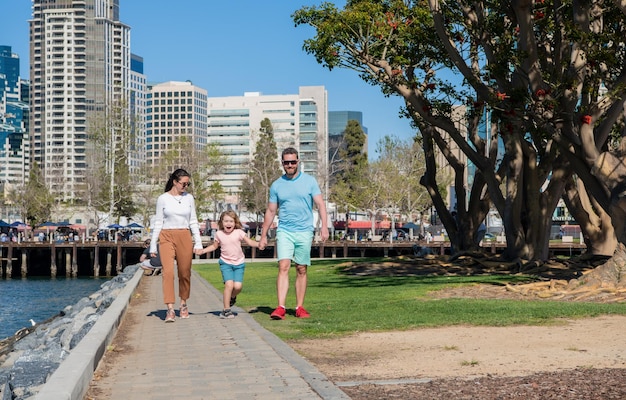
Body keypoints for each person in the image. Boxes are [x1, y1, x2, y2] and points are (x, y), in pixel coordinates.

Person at [258, 147, 329, 320]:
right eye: (286, 162)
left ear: (298, 162)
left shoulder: (309, 181)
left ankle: (299, 307)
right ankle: (280, 307)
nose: (290, 165)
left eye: (293, 162)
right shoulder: (277, 185)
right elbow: (271, 210)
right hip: (285, 231)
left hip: (304, 231)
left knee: (301, 268)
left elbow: (320, 204)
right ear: (282, 163)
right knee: (283, 266)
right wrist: (263, 234)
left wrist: (324, 226)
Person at [150, 168, 203, 323]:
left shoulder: (189, 198)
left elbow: (193, 220)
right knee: (168, 272)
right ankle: (170, 309)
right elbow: (158, 221)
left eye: (188, 184)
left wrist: (198, 242)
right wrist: (153, 245)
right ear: (174, 181)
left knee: (184, 272)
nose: (185, 187)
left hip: (184, 235)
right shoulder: (163, 199)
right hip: (166, 235)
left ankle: (183, 303)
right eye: (183, 184)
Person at [196, 210, 259, 319]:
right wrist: (203, 251)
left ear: (235, 223)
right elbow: (214, 246)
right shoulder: (219, 234)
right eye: (226, 221)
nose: (228, 224)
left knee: (238, 287)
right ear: (221, 222)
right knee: (229, 285)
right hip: (225, 263)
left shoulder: (239, 232)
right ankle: (226, 310)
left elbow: (249, 242)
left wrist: (259, 244)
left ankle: (232, 297)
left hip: (239, 263)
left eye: (231, 221)